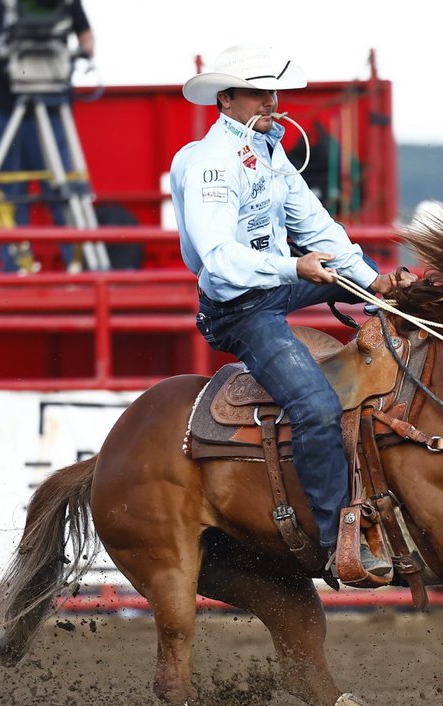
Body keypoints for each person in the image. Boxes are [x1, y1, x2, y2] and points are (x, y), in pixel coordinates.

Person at [171, 43, 415, 579]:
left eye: (273, 92)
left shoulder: (269, 151)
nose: (273, 102)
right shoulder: (213, 165)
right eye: (260, 92)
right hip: (238, 307)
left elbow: (317, 227)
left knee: (404, 307)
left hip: (278, 281)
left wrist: (373, 281)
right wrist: (295, 270)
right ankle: (336, 544)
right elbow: (218, 260)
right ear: (227, 100)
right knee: (316, 405)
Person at [0, 0, 95, 273]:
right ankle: (14, 269)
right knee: (7, 192)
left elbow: (86, 35)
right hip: (3, 104)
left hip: (53, 104)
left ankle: (77, 267)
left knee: (61, 189)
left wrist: (82, 52)